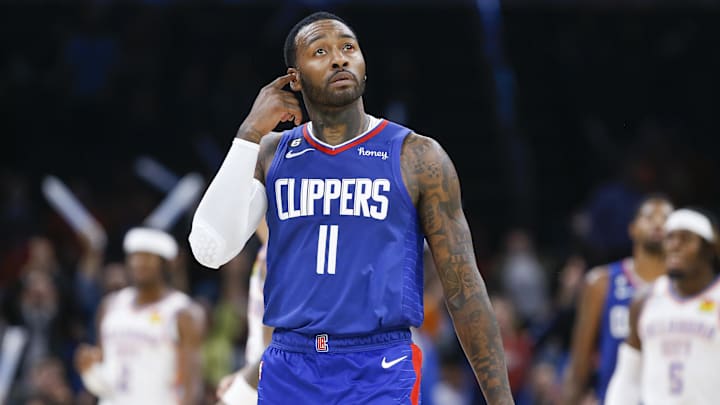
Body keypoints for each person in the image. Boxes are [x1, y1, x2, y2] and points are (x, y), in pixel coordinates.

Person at [189, 11, 512, 405]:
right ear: (294, 78)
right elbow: (210, 250)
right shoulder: (273, 153)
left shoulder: (417, 157)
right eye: (320, 51)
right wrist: (249, 133)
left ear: (363, 64)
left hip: (377, 366)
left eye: (348, 48)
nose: (339, 58)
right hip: (289, 365)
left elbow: (464, 291)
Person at [74, 227, 205, 405]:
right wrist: (88, 370)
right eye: (135, 256)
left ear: (164, 263)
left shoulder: (182, 312)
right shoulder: (110, 306)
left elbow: (192, 384)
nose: (139, 263)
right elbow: (107, 379)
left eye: (147, 257)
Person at [562, 195, 673, 404]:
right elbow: (579, 362)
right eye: (650, 217)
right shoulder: (601, 282)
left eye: (666, 218)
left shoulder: (685, 288)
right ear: (632, 228)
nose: (658, 223)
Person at [605, 208, 720, 404]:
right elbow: (628, 378)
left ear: (709, 248)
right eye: (670, 238)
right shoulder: (644, 301)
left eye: (686, 239)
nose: (675, 245)